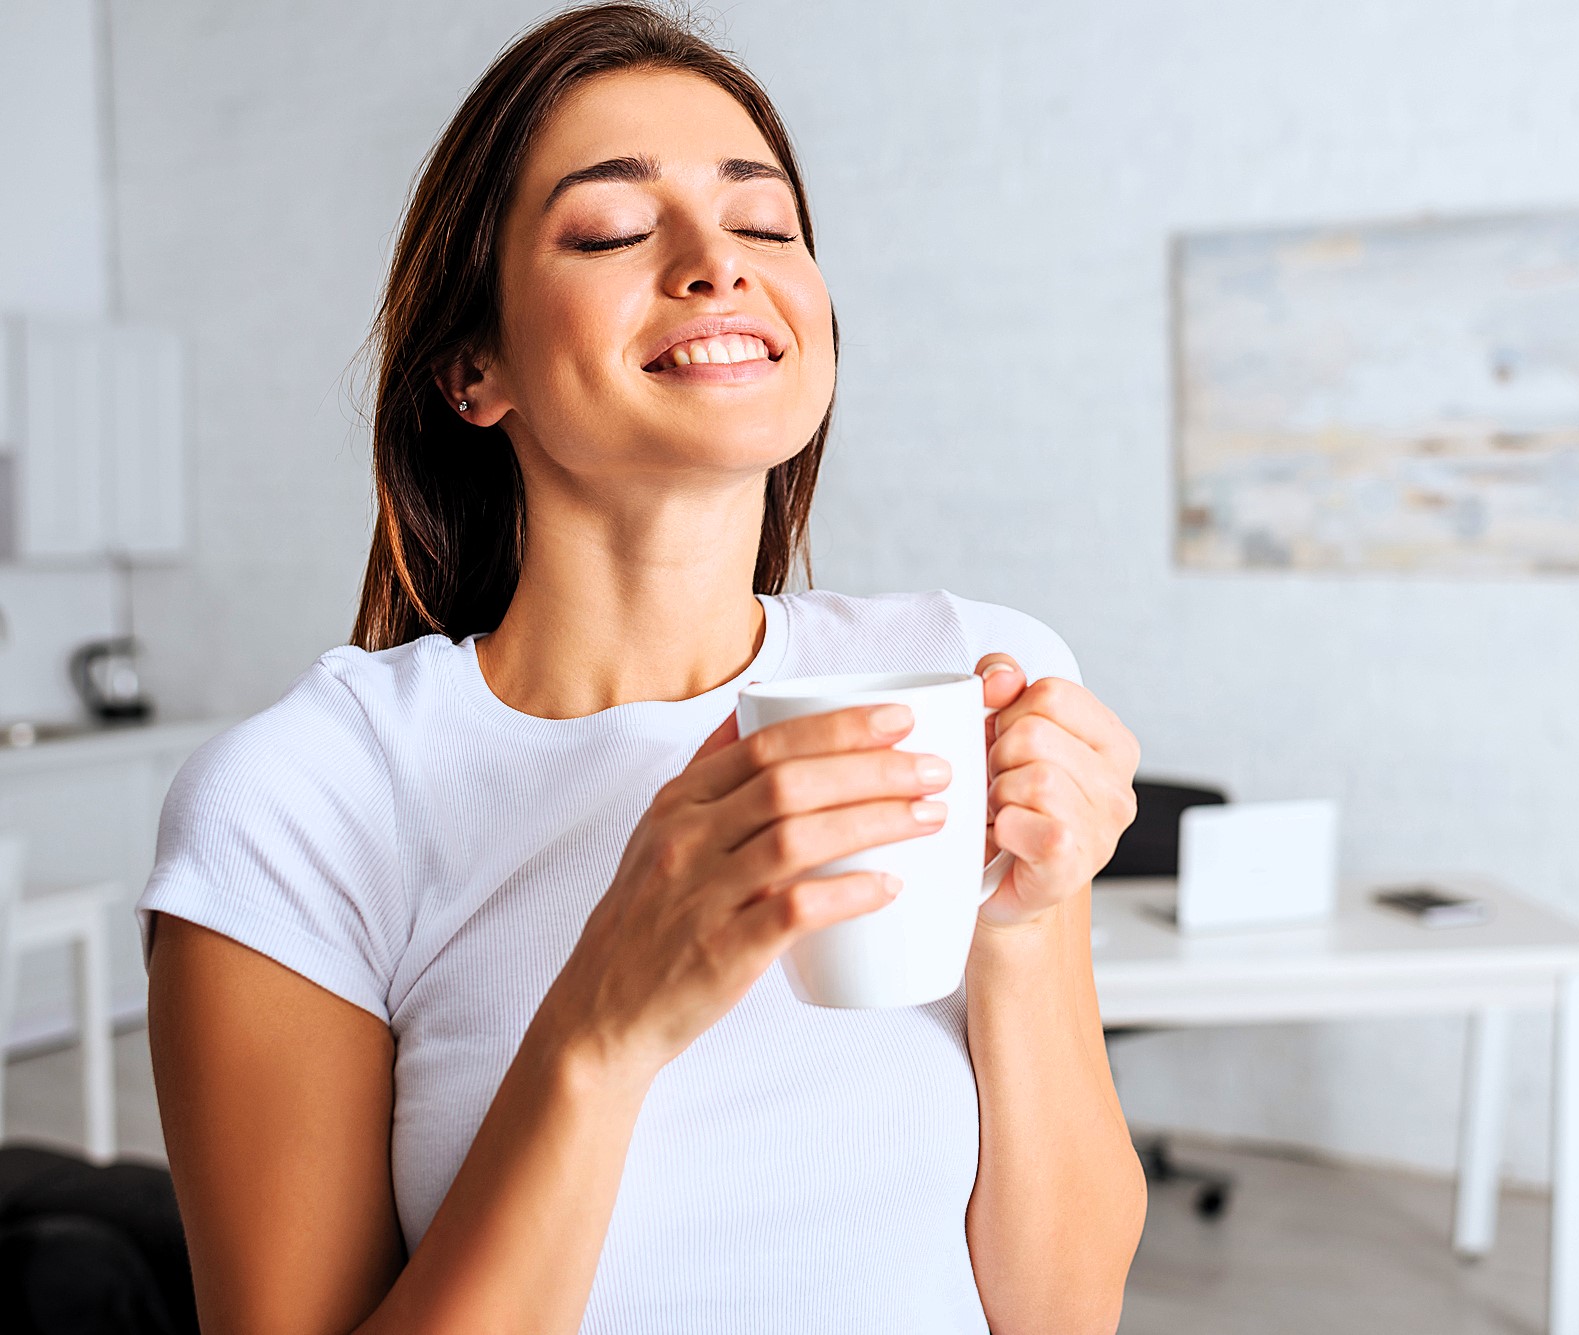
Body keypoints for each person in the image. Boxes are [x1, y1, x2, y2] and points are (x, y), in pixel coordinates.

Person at [136, 6, 1146, 1333]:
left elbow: (1061, 1314)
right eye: (612, 229)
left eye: (767, 225)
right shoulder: (305, 800)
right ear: (471, 369)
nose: (717, 265)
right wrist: (600, 1033)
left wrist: (1017, 926)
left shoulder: (963, 674)